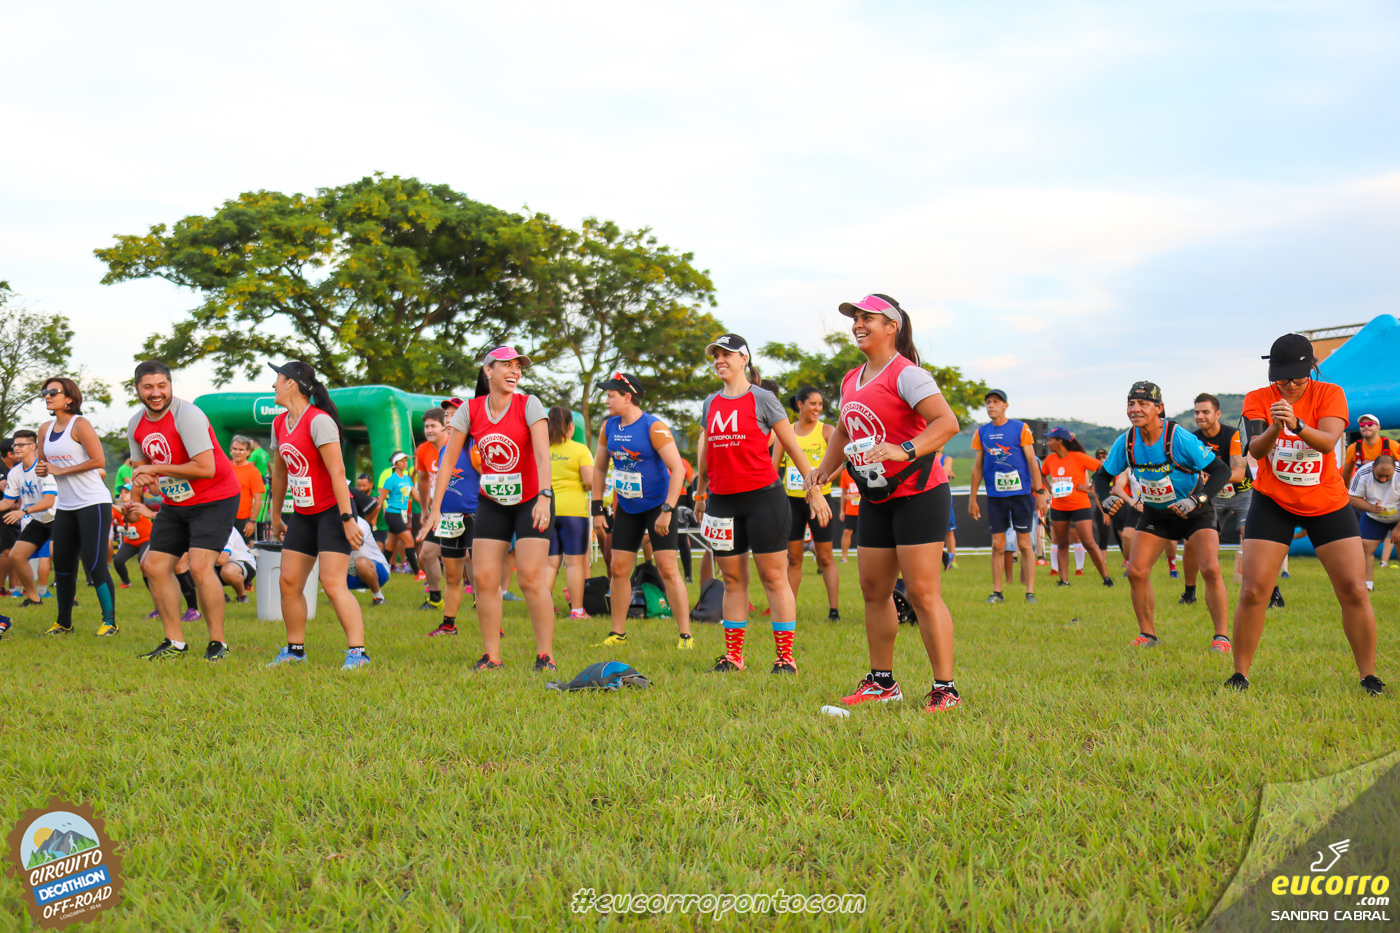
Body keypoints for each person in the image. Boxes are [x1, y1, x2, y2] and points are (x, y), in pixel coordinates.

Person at [808, 295, 960, 711]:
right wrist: (825, 469)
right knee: (874, 591)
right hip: (876, 497)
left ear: (892, 326)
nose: (858, 324)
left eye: (867, 318)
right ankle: (882, 684)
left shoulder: (907, 374)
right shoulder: (850, 379)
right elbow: (844, 431)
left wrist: (905, 449)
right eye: (855, 318)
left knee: (922, 593)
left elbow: (947, 422)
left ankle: (945, 689)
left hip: (920, 494)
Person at [1225, 335, 1383, 695]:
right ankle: (1240, 674)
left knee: (1354, 589)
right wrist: (1275, 426)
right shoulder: (1257, 399)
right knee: (1254, 589)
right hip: (1273, 500)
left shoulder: (1330, 393)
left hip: (1327, 501)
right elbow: (1256, 451)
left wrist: (1296, 424)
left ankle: (1369, 676)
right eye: (1281, 377)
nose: (1289, 384)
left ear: (1311, 368)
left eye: (1296, 377)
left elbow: (1327, 441)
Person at [695, 335, 827, 674]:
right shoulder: (710, 403)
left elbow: (791, 445)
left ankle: (785, 658)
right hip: (722, 502)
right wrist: (700, 492)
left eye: (726, 354)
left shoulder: (763, 398)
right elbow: (706, 451)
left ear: (744, 359)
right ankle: (734, 657)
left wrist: (813, 488)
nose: (719, 360)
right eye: (716, 355)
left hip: (764, 500)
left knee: (773, 577)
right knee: (732, 579)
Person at [421, 346, 558, 672]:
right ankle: (492, 656)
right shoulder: (470, 410)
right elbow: (447, 461)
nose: (514, 371)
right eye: (507, 365)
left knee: (530, 578)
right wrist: (435, 508)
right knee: (483, 580)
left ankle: (545, 656)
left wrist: (545, 496)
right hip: (493, 502)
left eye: (518, 367)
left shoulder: (529, 404)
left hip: (531, 500)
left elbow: (543, 454)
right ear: (488, 371)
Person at [1094, 382, 1234, 652]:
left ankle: (1221, 637)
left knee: (1210, 569)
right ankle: (1148, 634)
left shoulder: (1178, 437)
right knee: (1136, 571)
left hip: (1195, 511)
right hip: (1156, 513)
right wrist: (1104, 498)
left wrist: (1196, 500)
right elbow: (1102, 476)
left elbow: (1222, 471)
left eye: (1143, 404)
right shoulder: (1126, 442)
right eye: (1131, 404)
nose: (1135, 409)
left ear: (1159, 408)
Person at [125, 362, 240, 659]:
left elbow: (205, 468)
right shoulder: (135, 424)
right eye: (148, 387)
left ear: (170, 385)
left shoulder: (187, 415)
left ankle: (218, 644)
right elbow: (143, 471)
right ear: (137, 389)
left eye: (161, 386)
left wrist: (156, 469)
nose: (156, 393)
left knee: (200, 566)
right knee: (153, 565)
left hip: (215, 497)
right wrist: (144, 484)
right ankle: (174, 643)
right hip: (176, 502)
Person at [265, 361, 368, 670]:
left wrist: (347, 519)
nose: (273, 385)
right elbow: (280, 474)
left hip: (333, 511)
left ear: (291, 383)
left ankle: (358, 653)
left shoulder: (319, 421)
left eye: (277, 378)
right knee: (288, 582)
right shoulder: (279, 423)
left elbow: (338, 473)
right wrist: (275, 517)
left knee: (333, 584)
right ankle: (295, 651)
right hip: (303, 513)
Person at [590, 372, 693, 648]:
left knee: (667, 568)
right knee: (619, 568)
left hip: (658, 506)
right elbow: (599, 468)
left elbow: (678, 470)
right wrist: (597, 508)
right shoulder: (609, 427)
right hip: (627, 506)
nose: (606, 400)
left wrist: (668, 510)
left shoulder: (653, 427)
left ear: (627, 397)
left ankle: (685, 635)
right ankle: (617, 633)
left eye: (611, 395)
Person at [35, 377, 118, 637]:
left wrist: (62, 470)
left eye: (53, 391)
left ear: (69, 397)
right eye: (45, 392)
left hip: (93, 502)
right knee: (62, 565)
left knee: (94, 564)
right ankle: (64, 623)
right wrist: (42, 469)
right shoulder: (44, 429)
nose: (47, 396)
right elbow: (43, 464)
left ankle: (110, 623)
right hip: (66, 506)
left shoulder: (80, 424)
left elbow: (98, 460)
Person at [1181, 394, 1278, 607]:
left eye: (1205, 412)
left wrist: (1208, 477)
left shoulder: (1233, 435)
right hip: (1212, 496)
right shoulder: (1192, 439)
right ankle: (1189, 593)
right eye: (1197, 412)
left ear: (1217, 414)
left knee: (1252, 542)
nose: (1200, 416)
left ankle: (1274, 593)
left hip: (1241, 494)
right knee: (1190, 542)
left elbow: (1238, 474)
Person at [968, 389, 1047, 604]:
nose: (991, 405)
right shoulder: (982, 432)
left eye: (996, 402)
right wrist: (972, 498)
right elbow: (977, 467)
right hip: (995, 496)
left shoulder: (1020, 428)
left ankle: (1030, 592)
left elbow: (1032, 462)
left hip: (1021, 494)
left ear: (1005, 405)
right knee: (997, 544)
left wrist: (1040, 492)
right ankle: (997, 592)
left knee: (1024, 543)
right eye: (988, 402)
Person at [774, 386, 840, 620]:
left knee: (825, 557)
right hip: (792, 501)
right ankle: (789, 609)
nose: (818, 408)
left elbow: (841, 461)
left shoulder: (827, 431)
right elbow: (773, 468)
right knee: (794, 558)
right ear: (800, 405)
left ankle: (834, 610)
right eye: (813, 404)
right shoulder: (786, 432)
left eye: (820, 404)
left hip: (821, 501)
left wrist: (821, 482)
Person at [424, 400, 478, 636]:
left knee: (484, 576)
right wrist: (434, 509)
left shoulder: (477, 446)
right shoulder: (444, 450)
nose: (448, 419)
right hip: (449, 518)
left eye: (454, 414)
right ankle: (448, 625)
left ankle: (493, 625)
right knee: (452, 575)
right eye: (446, 415)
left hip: (476, 516)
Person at [1041, 427, 1114, 588]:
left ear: (1060, 441)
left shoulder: (1079, 457)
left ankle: (1106, 578)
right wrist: (1049, 488)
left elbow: (1103, 470)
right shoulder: (1050, 459)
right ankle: (1064, 580)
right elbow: (1042, 474)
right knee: (1062, 543)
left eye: (1050, 439)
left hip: (1079, 506)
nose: (1048, 443)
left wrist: (1091, 487)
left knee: (1088, 543)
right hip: (1058, 507)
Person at [547, 406, 595, 621]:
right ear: (570, 427)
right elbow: (590, 481)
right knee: (575, 563)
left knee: (550, 564)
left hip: (547, 510)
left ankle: (544, 607)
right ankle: (577, 610)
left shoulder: (540, 449)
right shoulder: (580, 450)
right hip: (574, 512)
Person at [1, 429, 58, 610]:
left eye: (21, 445)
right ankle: (34, 598)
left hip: (58, 517)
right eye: (15, 445)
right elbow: (7, 502)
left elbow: (49, 501)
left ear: (33, 446)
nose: (16, 448)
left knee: (58, 556)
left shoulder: (43, 468)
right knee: (16, 556)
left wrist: (24, 511)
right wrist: (24, 511)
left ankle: (71, 598)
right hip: (38, 520)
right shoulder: (15, 473)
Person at [1348, 452, 1399, 592]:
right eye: (1379, 475)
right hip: (1373, 517)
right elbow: (1353, 498)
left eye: (1387, 476)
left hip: (1398, 517)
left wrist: (1398, 529)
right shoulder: (1363, 473)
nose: (1383, 479)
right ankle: (1367, 584)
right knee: (1365, 547)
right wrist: (1371, 508)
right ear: (1373, 467)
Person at [414, 408, 447, 606]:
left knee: (469, 556)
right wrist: (425, 509)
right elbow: (423, 479)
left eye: (433, 426)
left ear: (445, 426)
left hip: (463, 509)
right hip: (437, 512)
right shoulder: (423, 449)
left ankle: (479, 599)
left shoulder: (457, 445)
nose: (429, 430)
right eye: (426, 427)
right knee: (427, 553)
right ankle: (435, 599)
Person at [376, 452, 418, 574]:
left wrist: (430, 503)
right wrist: (374, 519)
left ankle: (381, 570)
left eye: (406, 460)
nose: (405, 463)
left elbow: (415, 496)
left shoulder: (407, 479)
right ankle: (417, 572)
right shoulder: (391, 480)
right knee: (409, 541)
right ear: (395, 463)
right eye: (401, 461)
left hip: (403, 514)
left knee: (390, 545)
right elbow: (381, 499)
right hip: (392, 514)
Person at [229, 435, 266, 544]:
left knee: (242, 548)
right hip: (224, 517)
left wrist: (252, 521)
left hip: (242, 520)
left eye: (241, 450)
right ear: (231, 450)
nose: (237, 452)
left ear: (248, 452)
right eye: (235, 449)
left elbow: (258, 499)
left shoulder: (253, 472)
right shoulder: (226, 467)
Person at [347, 515, 390, 605]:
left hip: (377, 570)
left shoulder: (360, 523)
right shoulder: (329, 522)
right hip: (348, 573)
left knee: (361, 563)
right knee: (322, 562)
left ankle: (378, 597)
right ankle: (337, 596)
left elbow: (356, 544)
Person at [1341, 413, 1392, 486]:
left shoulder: (1392, 445)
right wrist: (1346, 490)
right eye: (1362, 425)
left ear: (1378, 427)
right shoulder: (1353, 448)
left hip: (1388, 487)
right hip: (1365, 487)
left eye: (1370, 424)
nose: (1366, 426)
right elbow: (1347, 473)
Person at [215, 527, 256, 602]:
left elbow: (222, 560)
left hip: (242, 562)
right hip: (217, 564)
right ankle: (218, 595)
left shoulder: (226, 528)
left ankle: (242, 596)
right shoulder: (198, 529)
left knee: (228, 571)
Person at [837, 467, 860, 563]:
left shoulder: (865, 470)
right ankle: (844, 557)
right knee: (847, 531)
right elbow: (843, 493)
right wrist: (842, 510)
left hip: (864, 509)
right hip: (850, 510)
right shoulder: (845, 473)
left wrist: (855, 495)